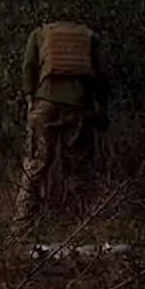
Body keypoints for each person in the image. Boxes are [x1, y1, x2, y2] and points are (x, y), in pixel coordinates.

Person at [12, 16, 109, 235]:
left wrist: (30, 98)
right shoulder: (90, 36)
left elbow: (28, 67)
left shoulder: (39, 33)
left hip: (45, 107)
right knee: (79, 170)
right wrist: (101, 108)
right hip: (80, 107)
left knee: (35, 166)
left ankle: (21, 229)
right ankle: (80, 227)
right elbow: (101, 77)